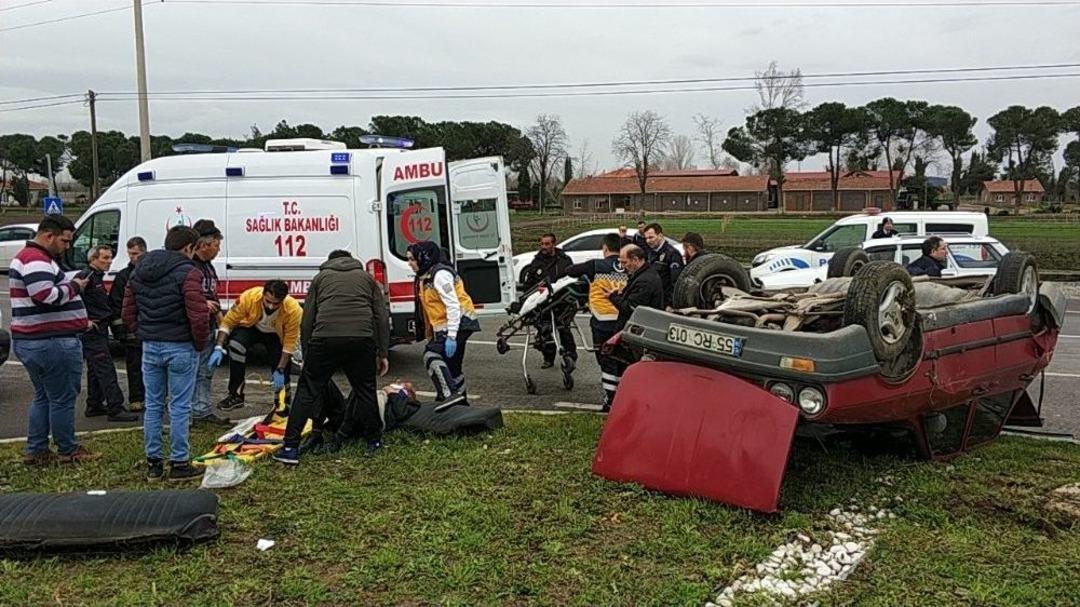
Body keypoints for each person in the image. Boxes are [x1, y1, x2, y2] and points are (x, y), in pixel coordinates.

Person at [275, 250, 390, 465]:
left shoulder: (320, 278)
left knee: (307, 390)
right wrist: (382, 352)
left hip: (324, 339)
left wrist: (308, 352)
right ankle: (373, 442)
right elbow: (381, 317)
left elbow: (308, 317)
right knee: (365, 390)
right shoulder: (367, 279)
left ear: (329, 262)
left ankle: (290, 447)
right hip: (361, 339)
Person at [122, 225, 210, 482]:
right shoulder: (188, 272)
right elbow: (198, 313)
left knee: (153, 405)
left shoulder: (140, 269)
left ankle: (154, 464)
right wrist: (199, 342)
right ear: (188, 247)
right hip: (180, 344)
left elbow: (128, 311)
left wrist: (143, 331)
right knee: (180, 406)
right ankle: (180, 463)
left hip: (150, 345)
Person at [9, 215, 99, 465]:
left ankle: (37, 449)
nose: (67, 247)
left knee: (44, 396)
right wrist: (76, 287)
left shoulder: (28, 258)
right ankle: (67, 449)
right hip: (51, 341)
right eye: (65, 241)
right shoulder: (36, 259)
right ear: (49, 236)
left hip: (34, 340)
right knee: (62, 398)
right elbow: (44, 294)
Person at [208, 280, 301, 412]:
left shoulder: (293, 310)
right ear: (263, 295)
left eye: (276, 304)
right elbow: (227, 323)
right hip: (251, 326)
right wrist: (219, 347)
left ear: (283, 300)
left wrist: (280, 368)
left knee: (281, 362)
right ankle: (236, 396)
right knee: (236, 345)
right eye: (267, 301)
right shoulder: (249, 297)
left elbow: (289, 344)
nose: (270, 307)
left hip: (276, 334)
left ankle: (283, 402)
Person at [407, 241, 481, 402]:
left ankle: (448, 396)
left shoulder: (440, 275)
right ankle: (462, 404)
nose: (409, 263)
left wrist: (452, 336)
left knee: (430, 354)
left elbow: (452, 305)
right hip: (451, 325)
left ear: (423, 258)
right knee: (453, 367)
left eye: (412, 259)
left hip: (460, 323)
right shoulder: (425, 276)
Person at [565, 233, 628, 411]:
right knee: (622, 360)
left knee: (606, 360)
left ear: (605, 248)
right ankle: (623, 396)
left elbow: (570, 271)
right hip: (623, 320)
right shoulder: (628, 266)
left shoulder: (597, 265)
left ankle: (610, 399)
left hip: (602, 321)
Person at [77, 244, 138, 422]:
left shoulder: (96, 277)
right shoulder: (86, 276)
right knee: (106, 369)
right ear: (93, 259)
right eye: (105, 258)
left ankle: (94, 404)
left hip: (100, 328)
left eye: (110, 257)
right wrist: (84, 321)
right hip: (92, 330)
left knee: (95, 370)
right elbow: (73, 299)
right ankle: (115, 407)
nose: (109, 261)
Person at [189, 219, 231, 427]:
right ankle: (191, 412)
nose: (218, 249)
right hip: (193, 328)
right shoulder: (189, 266)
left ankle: (202, 409)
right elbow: (185, 295)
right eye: (216, 245)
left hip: (208, 326)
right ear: (204, 245)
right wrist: (203, 304)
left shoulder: (208, 267)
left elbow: (212, 294)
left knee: (206, 371)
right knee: (193, 371)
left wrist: (221, 323)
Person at [520, 232, 577, 368]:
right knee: (544, 331)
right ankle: (548, 358)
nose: (544, 247)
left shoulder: (564, 260)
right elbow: (529, 285)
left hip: (562, 301)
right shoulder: (536, 262)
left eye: (547, 244)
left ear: (553, 244)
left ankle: (570, 356)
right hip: (543, 303)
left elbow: (572, 278)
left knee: (564, 328)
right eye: (542, 244)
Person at [108, 237, 147, 411]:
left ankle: (154, 398)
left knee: (152, 367)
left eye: (136, 254)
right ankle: (136, 399)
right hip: (132, 330)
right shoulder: (123, 277)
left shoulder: (150, 273)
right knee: (134, 366)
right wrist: (120, 331)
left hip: (149, 328)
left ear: (144, 252)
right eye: (130, 254)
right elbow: (116, 306)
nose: (132, 257)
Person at [608, 244, 664, 331]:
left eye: (624, 262)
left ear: (635, 260)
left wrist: (613, 296)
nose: (622, 266)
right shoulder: (642, 274)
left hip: (638, 329)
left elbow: (631, 308)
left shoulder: (644, 281)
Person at [642, 222, 685, 308]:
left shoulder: (672, 254)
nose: (648, 241)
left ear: (660, 236)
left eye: (651, 237)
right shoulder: (651, 252)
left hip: (664, 302)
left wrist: (670, 303)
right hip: (653, 300)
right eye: (646, 238)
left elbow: (676, 282)